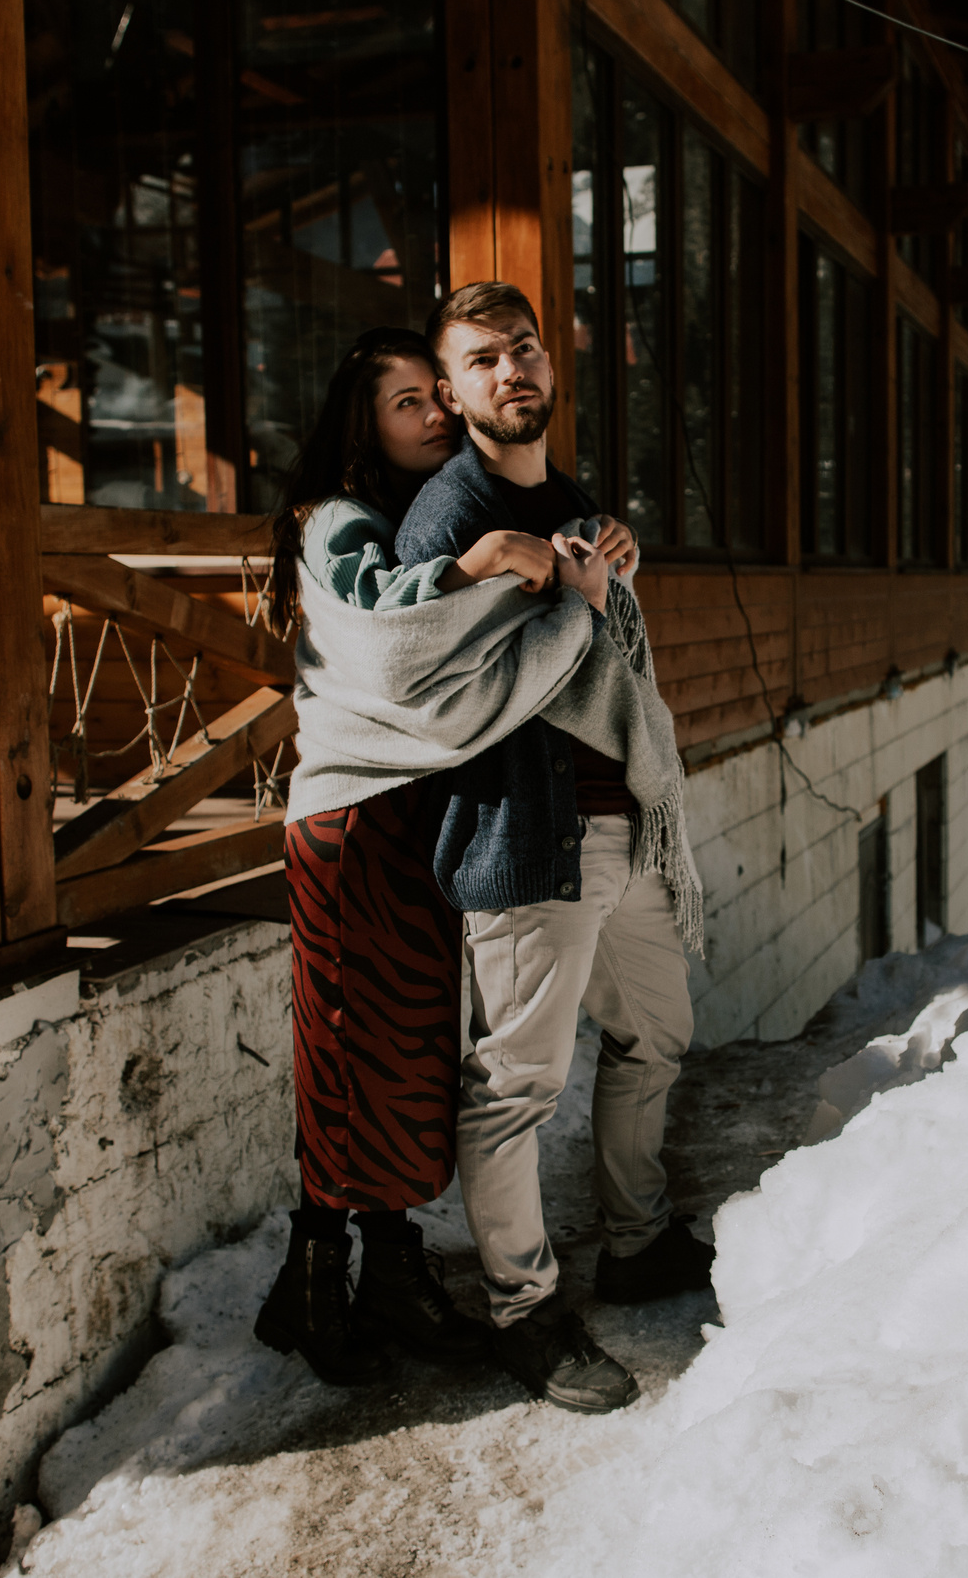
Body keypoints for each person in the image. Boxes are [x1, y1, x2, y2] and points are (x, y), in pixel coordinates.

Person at [393, 281, 711, 1416]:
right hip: (529, 833)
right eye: (482, 359)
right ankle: (522, 1311)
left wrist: (614, 564)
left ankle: (636, 1240)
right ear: (450, 393)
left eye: (522, 348)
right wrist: (560, 594)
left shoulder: (569, 497)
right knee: (516, 1087)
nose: (511, 369)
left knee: (655, 1034)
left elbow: (601, 637)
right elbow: (429, 685)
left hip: (625, 820)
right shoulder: (448, 516)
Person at [252, 327, 588, 1385]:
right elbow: (388, 634)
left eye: (433, 398)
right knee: (349, 1046)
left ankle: (380, 1270)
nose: (436, 415)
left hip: (403, 814)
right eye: (410, 403)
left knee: (400, 1052)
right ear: (364, 425)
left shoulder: (400, 511)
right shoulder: (340, 520)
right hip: (350, 820)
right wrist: (475, 565)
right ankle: (321, 1286)